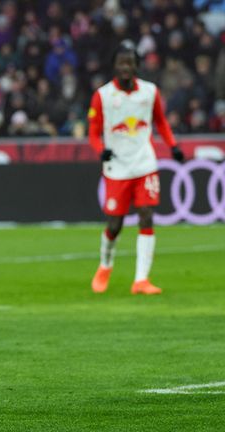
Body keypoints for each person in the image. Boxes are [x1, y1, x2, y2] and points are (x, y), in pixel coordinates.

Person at [88, 40, 183, 295]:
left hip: (144, 163)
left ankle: (141, 280)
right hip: (117, 168)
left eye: (130, 63)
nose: (126, 68)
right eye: (121, 63)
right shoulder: (103, 96)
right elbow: (93, 133)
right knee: (115, 225)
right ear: (114, 67)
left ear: (137, 66)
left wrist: (172, 145)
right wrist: (101, 151)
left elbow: (161, 123)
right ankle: (105, 264)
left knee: (146, 215)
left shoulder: (150, 92)